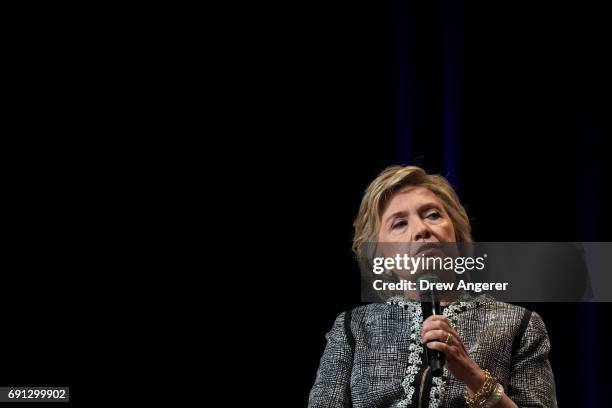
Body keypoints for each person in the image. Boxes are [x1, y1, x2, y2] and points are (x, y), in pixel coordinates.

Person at [308, 165, 556, 407]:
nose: (421, 229)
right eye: (399, 223)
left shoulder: (518, 324)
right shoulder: (354, 328)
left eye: (433, 215)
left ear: (456, 236)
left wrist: (474, 377)